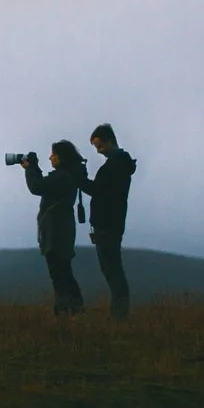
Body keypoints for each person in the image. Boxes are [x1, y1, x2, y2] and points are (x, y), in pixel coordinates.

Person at [18, 139, 87, 314]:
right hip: (62, 229)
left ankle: (64, 311)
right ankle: (76, 308)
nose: (50, 158)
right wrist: (35, 168)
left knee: (58, 273)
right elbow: (45, 185)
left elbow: (37, 187)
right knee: (63, 270)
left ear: (62, 157)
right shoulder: (67, 175)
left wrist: (31, 168)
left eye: (54, 155)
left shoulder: (63, 176)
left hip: (56, 230)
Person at [83, 123, 138, 319]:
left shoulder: (115, 166)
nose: (98, 151)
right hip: (112, 224)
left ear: (109, 141)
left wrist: (80, 180)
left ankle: (119, 315)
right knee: (113, 270)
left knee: (112, 271)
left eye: (99, 146)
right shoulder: (121, 164)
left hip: (107, 225)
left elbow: (98, 191)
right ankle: (119, 313)